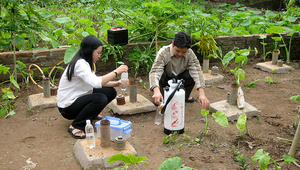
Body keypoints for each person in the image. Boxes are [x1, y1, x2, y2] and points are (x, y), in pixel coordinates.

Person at [57, 35, 128, 139]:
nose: (99, 56)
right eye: (98, 53)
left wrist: (116, 83)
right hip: (67, 107)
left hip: (78, 97)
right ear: (90, 51)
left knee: (110, 92)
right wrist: (116, 72)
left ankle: (90, 114)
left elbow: (94, 81)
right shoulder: (80, 64)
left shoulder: (85, 62)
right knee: (100, 99)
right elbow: (96, 83)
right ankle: (76, 125)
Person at [149, 31, 210, 109]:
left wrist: (202, 94)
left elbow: (197, 71)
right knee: (160, 81)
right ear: (173, 44)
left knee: (191, 75)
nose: (180, 54)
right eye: (177, 50)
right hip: (165, 78)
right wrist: (156, 91)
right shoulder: (163, 52)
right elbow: (155, 72)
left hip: (179, 78)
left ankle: (184, 97)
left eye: (184, 52)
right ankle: (160, 97)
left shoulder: (190, 54)